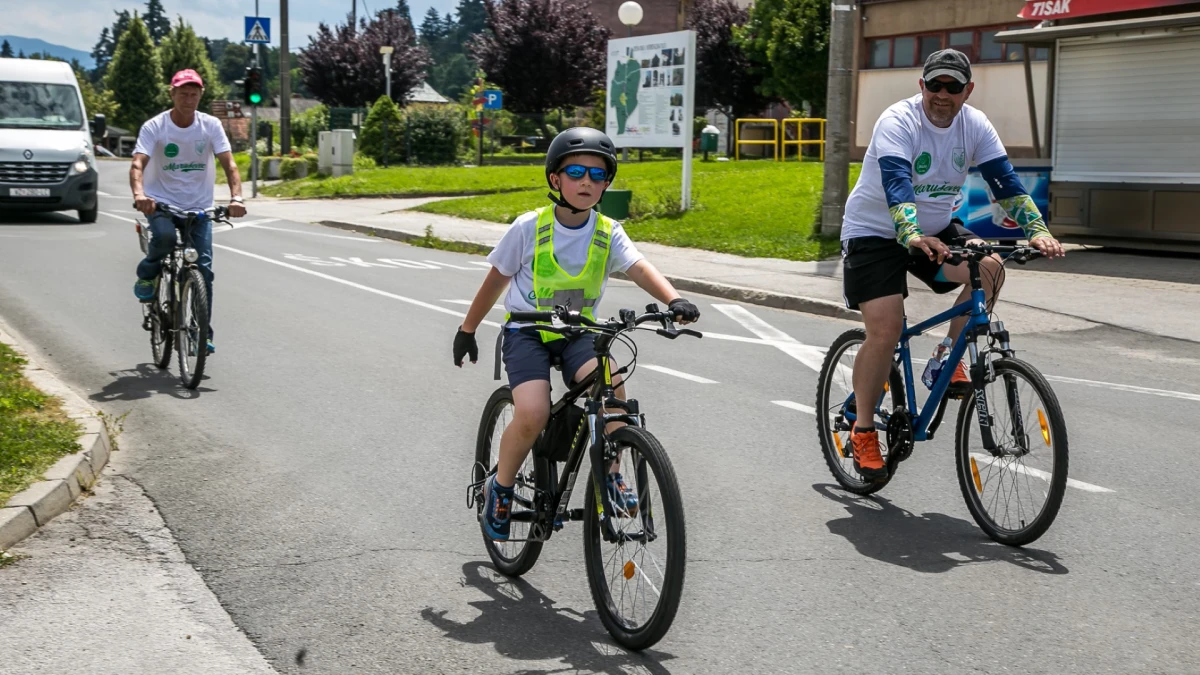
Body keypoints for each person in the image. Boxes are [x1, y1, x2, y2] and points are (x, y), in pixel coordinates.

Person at [452, 127, 700, 541]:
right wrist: (468, 329)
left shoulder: (607, 230)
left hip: (578, 333)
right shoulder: (529, 227)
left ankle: (614, 476)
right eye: (577, 172)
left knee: (613, 387)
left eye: (598, 175)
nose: (587, 181)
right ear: (555, 179)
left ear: (607, 183)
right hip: (528, 332)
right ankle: (502, 486)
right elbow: (495, 280)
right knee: (533, 413)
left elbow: (638, 266)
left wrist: (673, 299)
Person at [839, 49, 1065, 481]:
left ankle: (946, 355)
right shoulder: (898, 121)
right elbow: (897, 184)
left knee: (992, 267)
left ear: (967, 91)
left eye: (953, 87)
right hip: (875, 233)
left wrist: (1037, 229)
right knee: (885, 330)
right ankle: (864, 430)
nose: (943, 95)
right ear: (921, 85)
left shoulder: (974, 124)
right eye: (935, 85)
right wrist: (909, 235)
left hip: (936, 229)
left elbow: (1005, 183)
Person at [130, 69, 246, 355]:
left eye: (194, 94)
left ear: (200, 95)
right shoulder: (155, 126)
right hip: (161, 203)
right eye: (183, 93)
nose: (189, 99)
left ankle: (202, 332)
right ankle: (148, 273)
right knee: (166, 238)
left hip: (199, 208)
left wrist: (237, 198)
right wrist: (140, 195)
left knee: (203, 271)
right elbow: (137, 164)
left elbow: (229, 164)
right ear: (172, 94)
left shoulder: (210, 126)